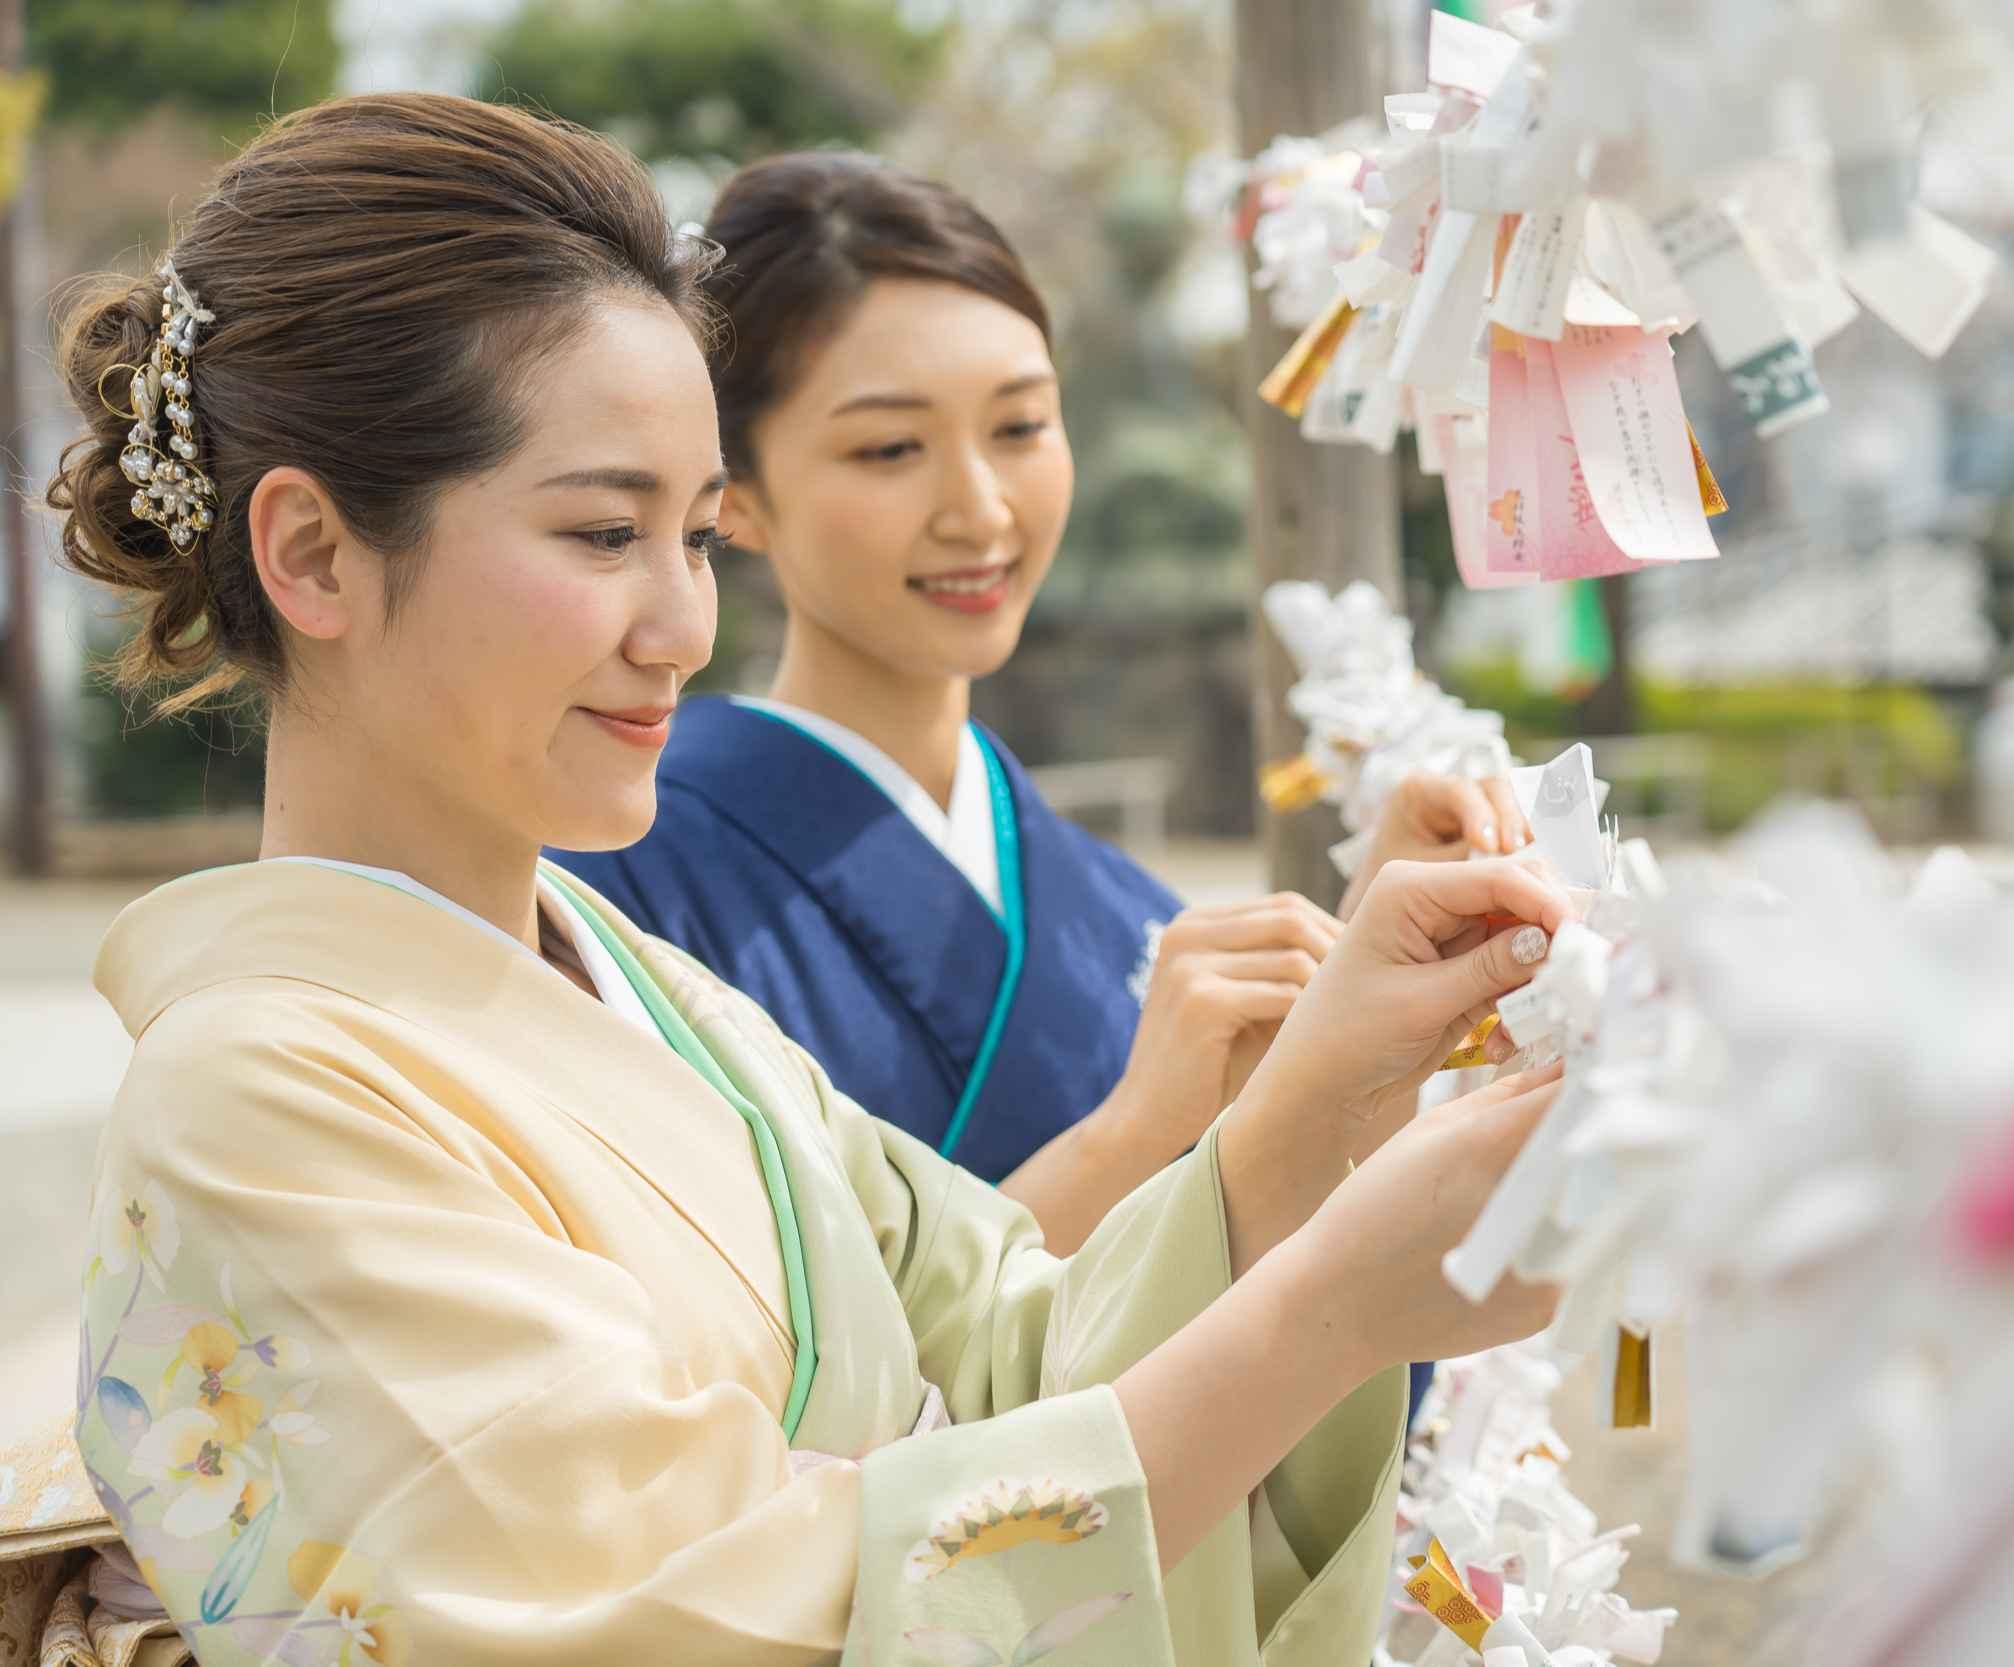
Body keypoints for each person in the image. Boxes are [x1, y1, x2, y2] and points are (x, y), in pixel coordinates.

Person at [51, 94, 1567, 1666]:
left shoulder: (649, 986)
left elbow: (1012, 1354)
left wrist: (1337, 1081)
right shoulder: (260, 1102)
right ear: (310, 555)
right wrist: (1330, 1308)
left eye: (697, 538)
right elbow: (694, 1621)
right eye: (600, 533)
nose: (683, 624)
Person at [555, 150, 1528, 1257]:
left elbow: (1295, 1340)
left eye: (1019, 427)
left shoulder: (1120, 906)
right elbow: (732, 1362)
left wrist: (1356, 1013)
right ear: (733, 497)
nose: (979, 509)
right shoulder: (616, 880)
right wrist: (1131, 1132)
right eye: (890, 447)